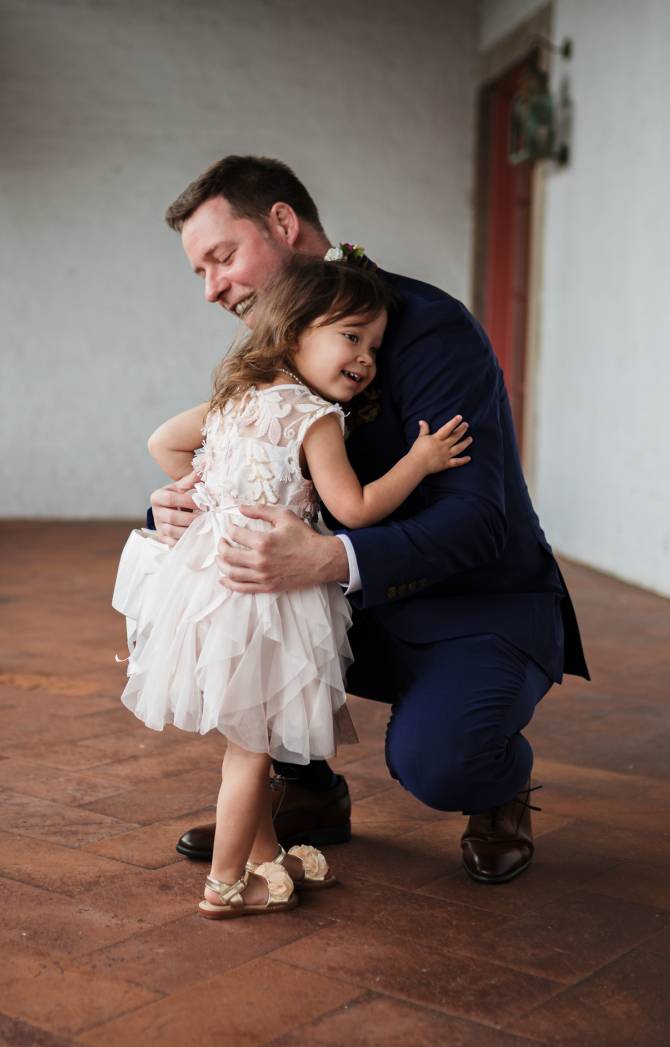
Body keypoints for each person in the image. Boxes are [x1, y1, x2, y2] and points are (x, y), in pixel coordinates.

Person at [152, 156, 589, 884]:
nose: (212, 290)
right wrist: (179, 505)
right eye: (200, 272)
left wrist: (328, 559)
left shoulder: (429, 330)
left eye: (222, 258)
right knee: (220, 611)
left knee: (440, 763)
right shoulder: (279, 344)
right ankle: (311, 793)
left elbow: (480, 522)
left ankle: (498, 779)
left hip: (474, 604)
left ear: (284, 226)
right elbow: (242, 461)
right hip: (354, 605)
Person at [114, 258, 472, 918]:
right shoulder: (315, 418)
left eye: (375, 347)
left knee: (245, 740)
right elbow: (357, 508)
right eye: (352, 337)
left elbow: (163, 442)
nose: (366, 359)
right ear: (296, 330)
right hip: (268, 605)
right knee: (252, 753)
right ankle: (226, 886)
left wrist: (203, 497)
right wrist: (419, 464)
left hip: (210, 592)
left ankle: (264, 858)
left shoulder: (231, 403)